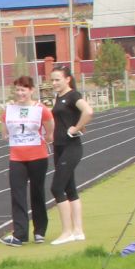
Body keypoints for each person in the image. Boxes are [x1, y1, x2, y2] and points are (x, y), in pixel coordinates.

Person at [0, 75, 54, 246]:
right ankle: (20, 234)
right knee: (18, 194)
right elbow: (4, 133)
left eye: (24, 89)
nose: (20, 93)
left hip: (38, 156)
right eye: (18, 89)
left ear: (31, 90)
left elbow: (50, 130)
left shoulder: (41, 109)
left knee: (37, 192)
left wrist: (46, 138)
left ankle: (40, 231)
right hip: (17, 158)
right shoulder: (9, 110)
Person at [46, 63, 92, 244]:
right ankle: (78, 231)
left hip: (71, 147)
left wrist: (76, 128)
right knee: (70, 189)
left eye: (57, 79)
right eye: (52, 80)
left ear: (67, 79)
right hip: (59, 146)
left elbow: (88, 111)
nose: (54, 83)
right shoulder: (59, 97)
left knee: (56, 188)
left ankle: (67, 232)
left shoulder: (72, 95)